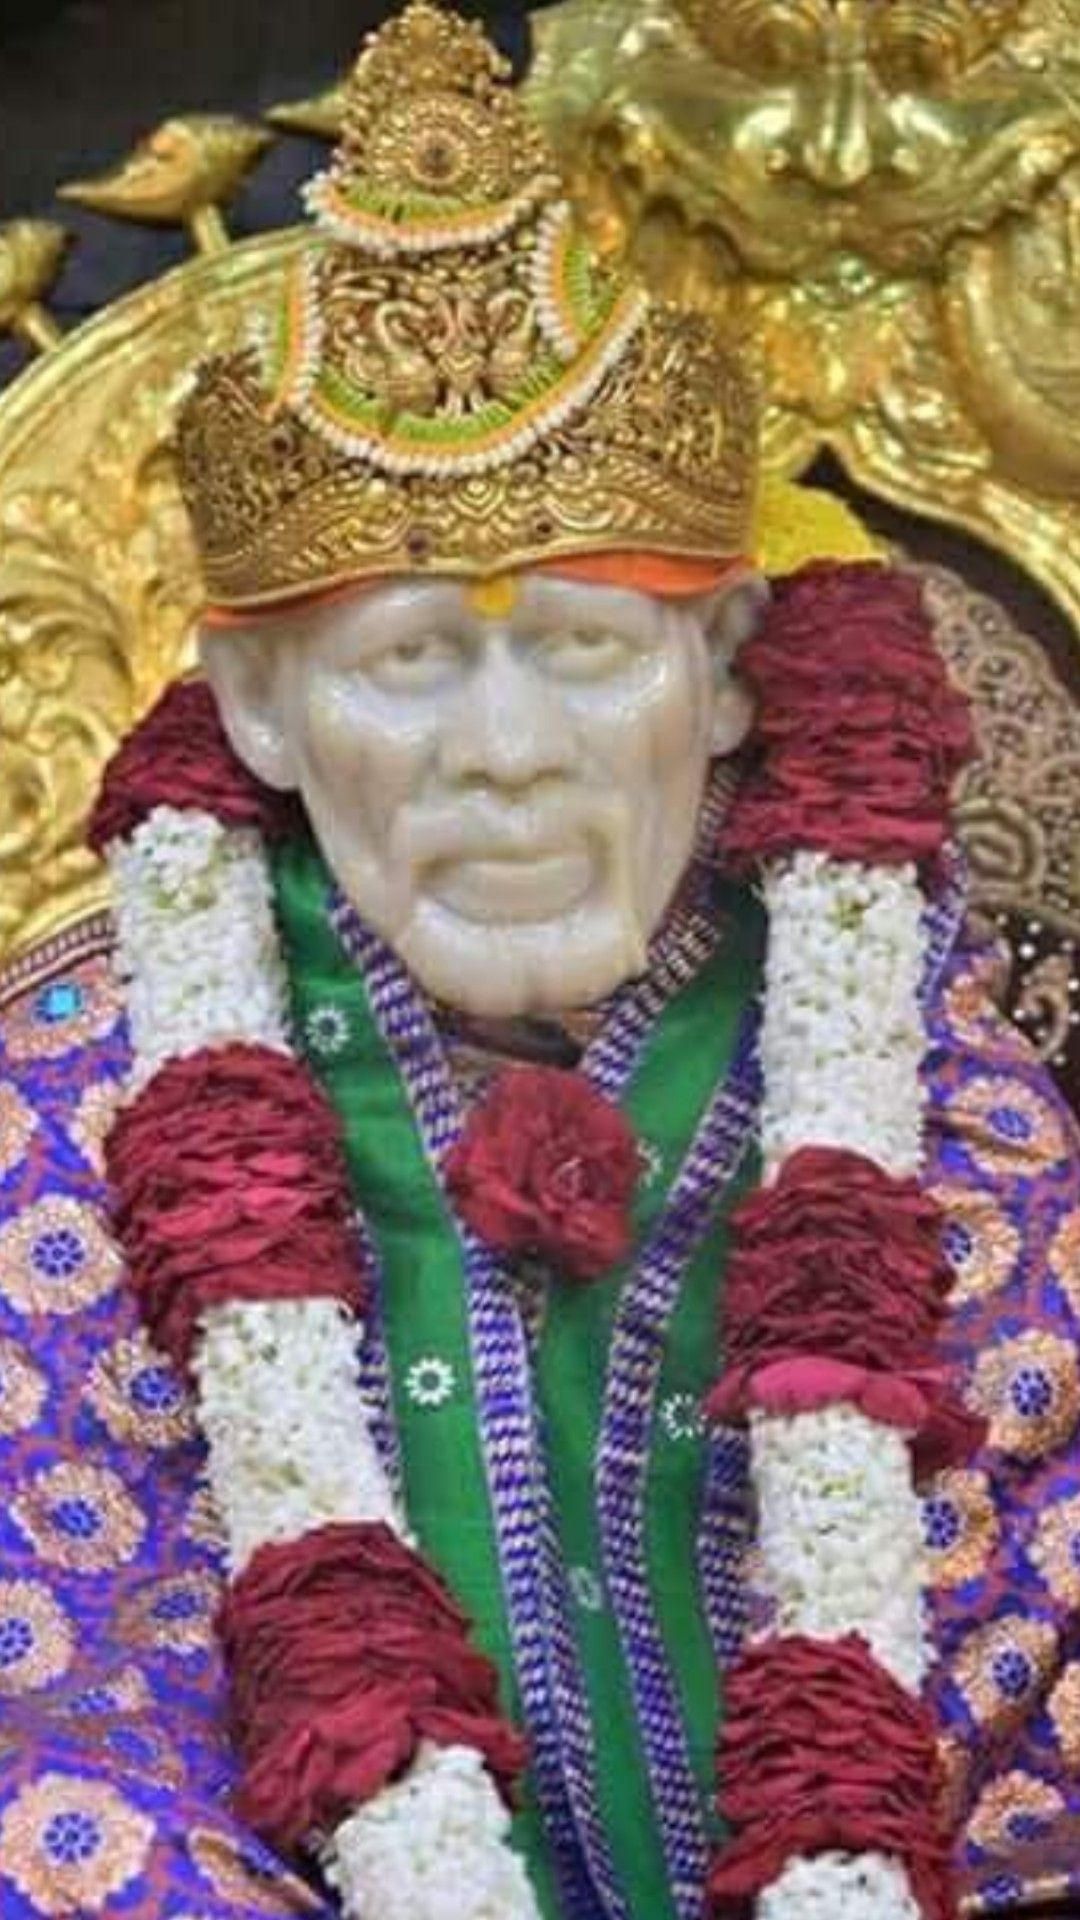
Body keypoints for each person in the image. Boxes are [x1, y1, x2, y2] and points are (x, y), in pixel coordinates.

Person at [0, 7, 1078, 1918]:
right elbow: (55, 1750)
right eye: (412, 660)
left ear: (729, 668)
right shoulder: (68, 1102)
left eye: (586, 650)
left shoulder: (920, 1072)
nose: (508, 751)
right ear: (254, 704)